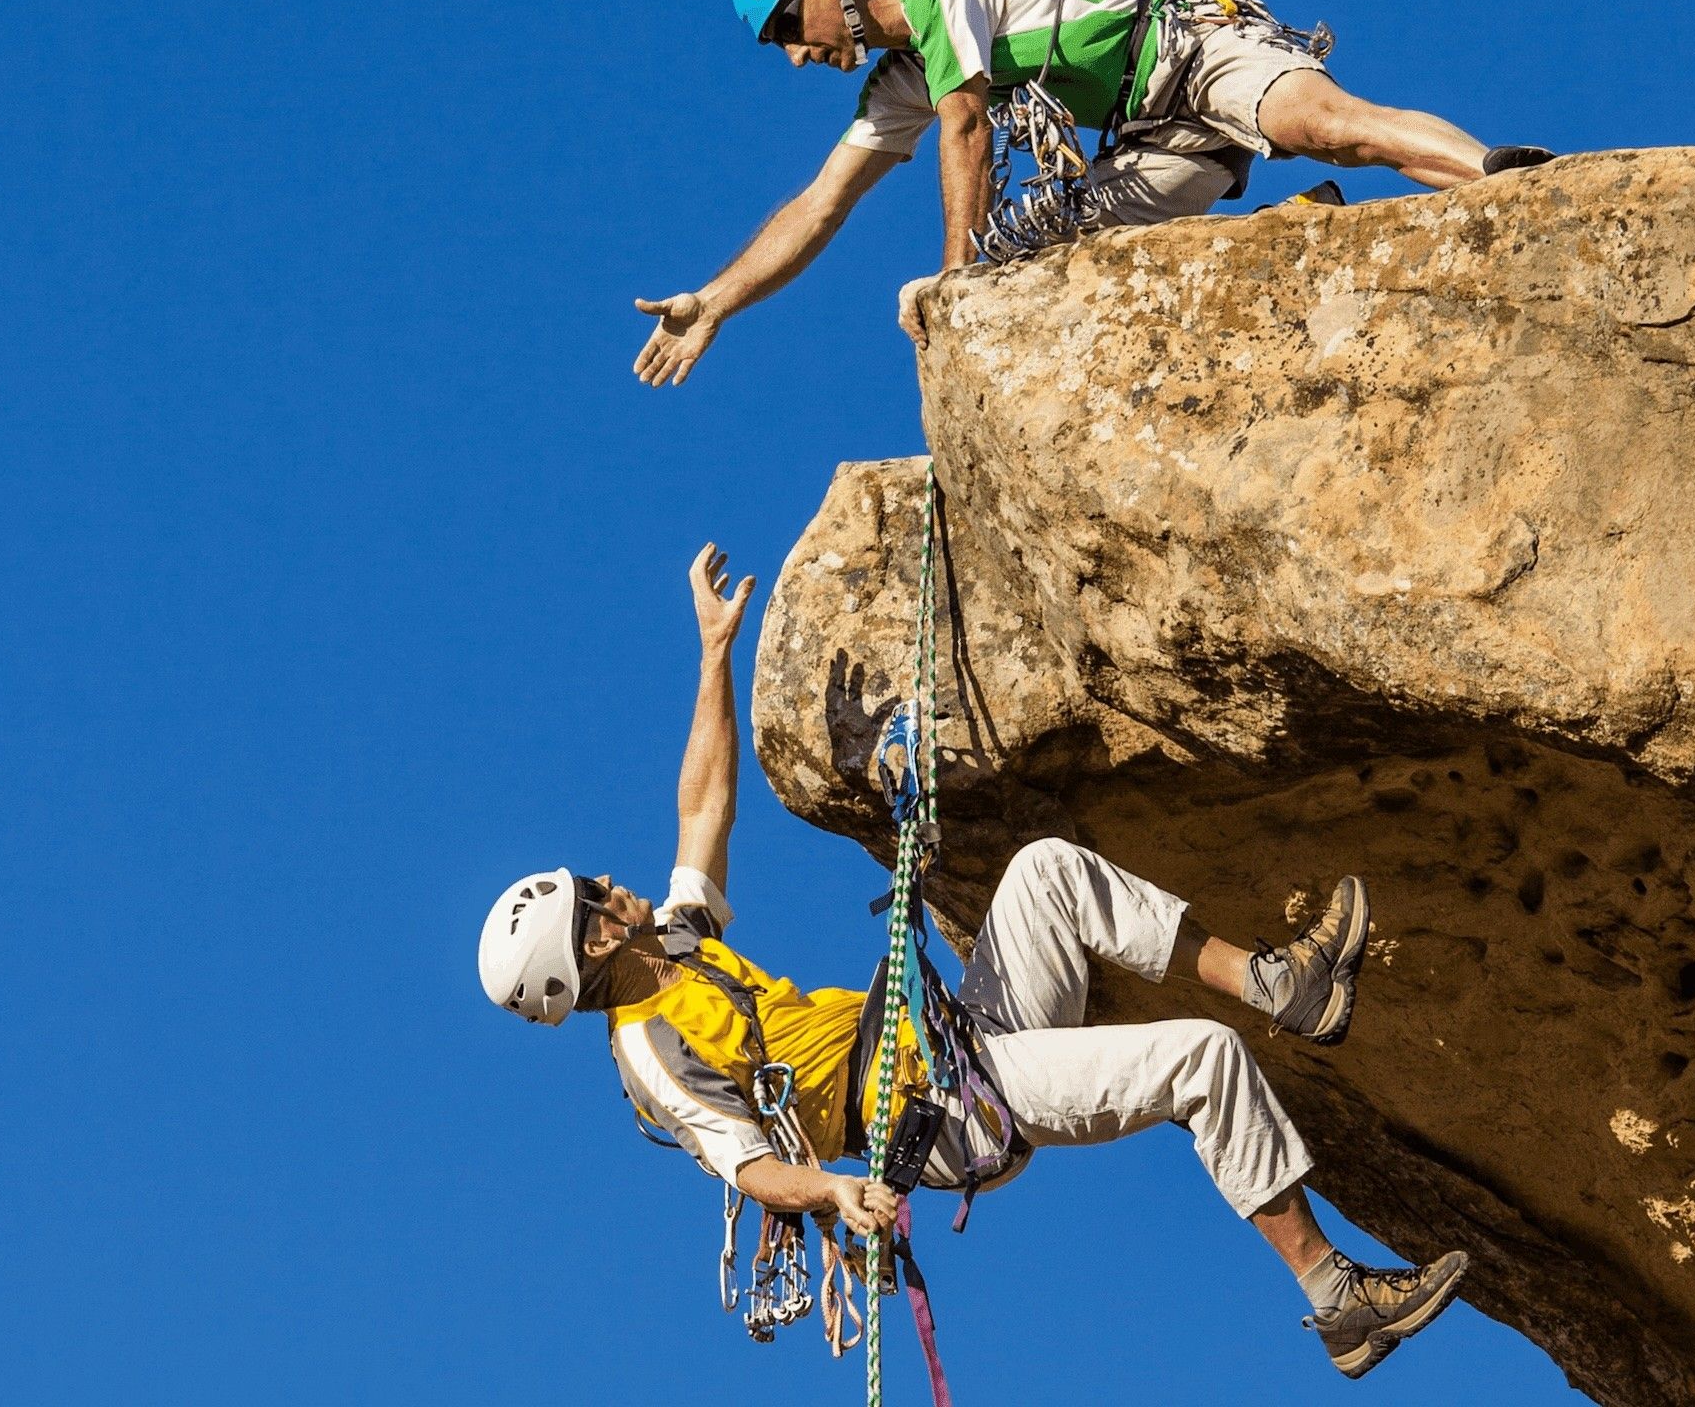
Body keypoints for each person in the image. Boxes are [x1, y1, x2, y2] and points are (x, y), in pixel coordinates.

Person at [476, 543, 1470, 1380]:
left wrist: (711, 655)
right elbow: (746, 1167)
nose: (612, 884)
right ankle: (1334, 1298)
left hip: (954, 1044)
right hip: (935, 1111)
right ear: (587, 946)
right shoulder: (650, 1050)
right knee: (1200, 1060)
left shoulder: (678, 947)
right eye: (594, 896)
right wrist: (831, 1193)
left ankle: (1274, 984)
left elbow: (701, 808)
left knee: (1044, 874)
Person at [632, 0, 1555, 388]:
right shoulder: (897, 79)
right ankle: (1290, 235)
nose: (796, 54)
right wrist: (715, 301)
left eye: (789, 24)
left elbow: (967, 123)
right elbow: (821, 200)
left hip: (1186, 46)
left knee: (1325, 127)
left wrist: (954, 280)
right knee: (1037, 263)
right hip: (1146, 139)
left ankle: (1505, 182)